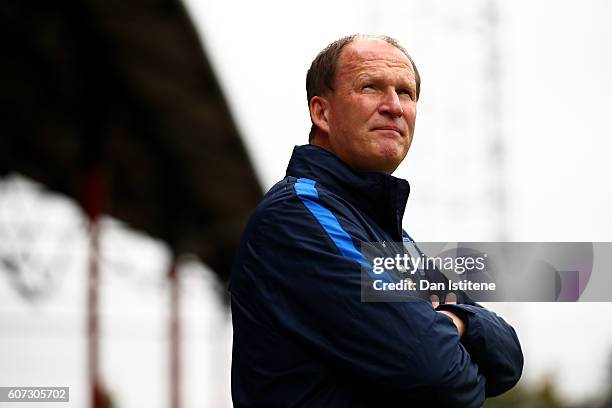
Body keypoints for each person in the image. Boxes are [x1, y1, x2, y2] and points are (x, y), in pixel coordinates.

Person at [230, 34, 523, 407]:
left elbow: (510, 357)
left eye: (406, 93)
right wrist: (446, 327)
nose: (394, 107)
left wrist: (456, 321)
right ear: (322, 113)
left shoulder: (389, 236)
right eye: (371, 87)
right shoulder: (296, 218)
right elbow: (439, 373)